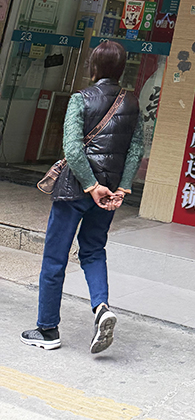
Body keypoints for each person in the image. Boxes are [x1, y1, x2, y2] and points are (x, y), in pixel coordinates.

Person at [21, 40, 143, 354]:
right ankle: (101, 308)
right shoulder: (132, 102)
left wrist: (90, 184)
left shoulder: (81, 99)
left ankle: (47, 329)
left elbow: (73, 149)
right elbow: (135, 150)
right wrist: (121, 188)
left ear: (94, 67)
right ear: (121, 69)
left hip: (75, 190)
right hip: (109, 192)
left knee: (55, 258)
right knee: (93, 251)